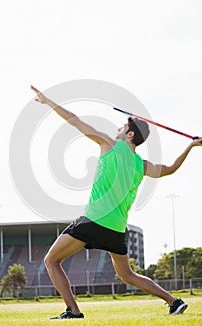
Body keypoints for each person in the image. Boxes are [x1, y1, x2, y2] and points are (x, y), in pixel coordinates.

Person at [31, 85, 202, 319]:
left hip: (94, 220)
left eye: (123, 126)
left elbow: (74, 119)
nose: (119, 127)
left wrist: (48, 101)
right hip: (117, 228)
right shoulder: (141, 165)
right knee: (127, 275)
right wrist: (191, 146)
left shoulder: (108, 144)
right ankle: (174, 301)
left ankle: (73, 311)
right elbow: (170, 169)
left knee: (51, 260)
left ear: (130, 134)